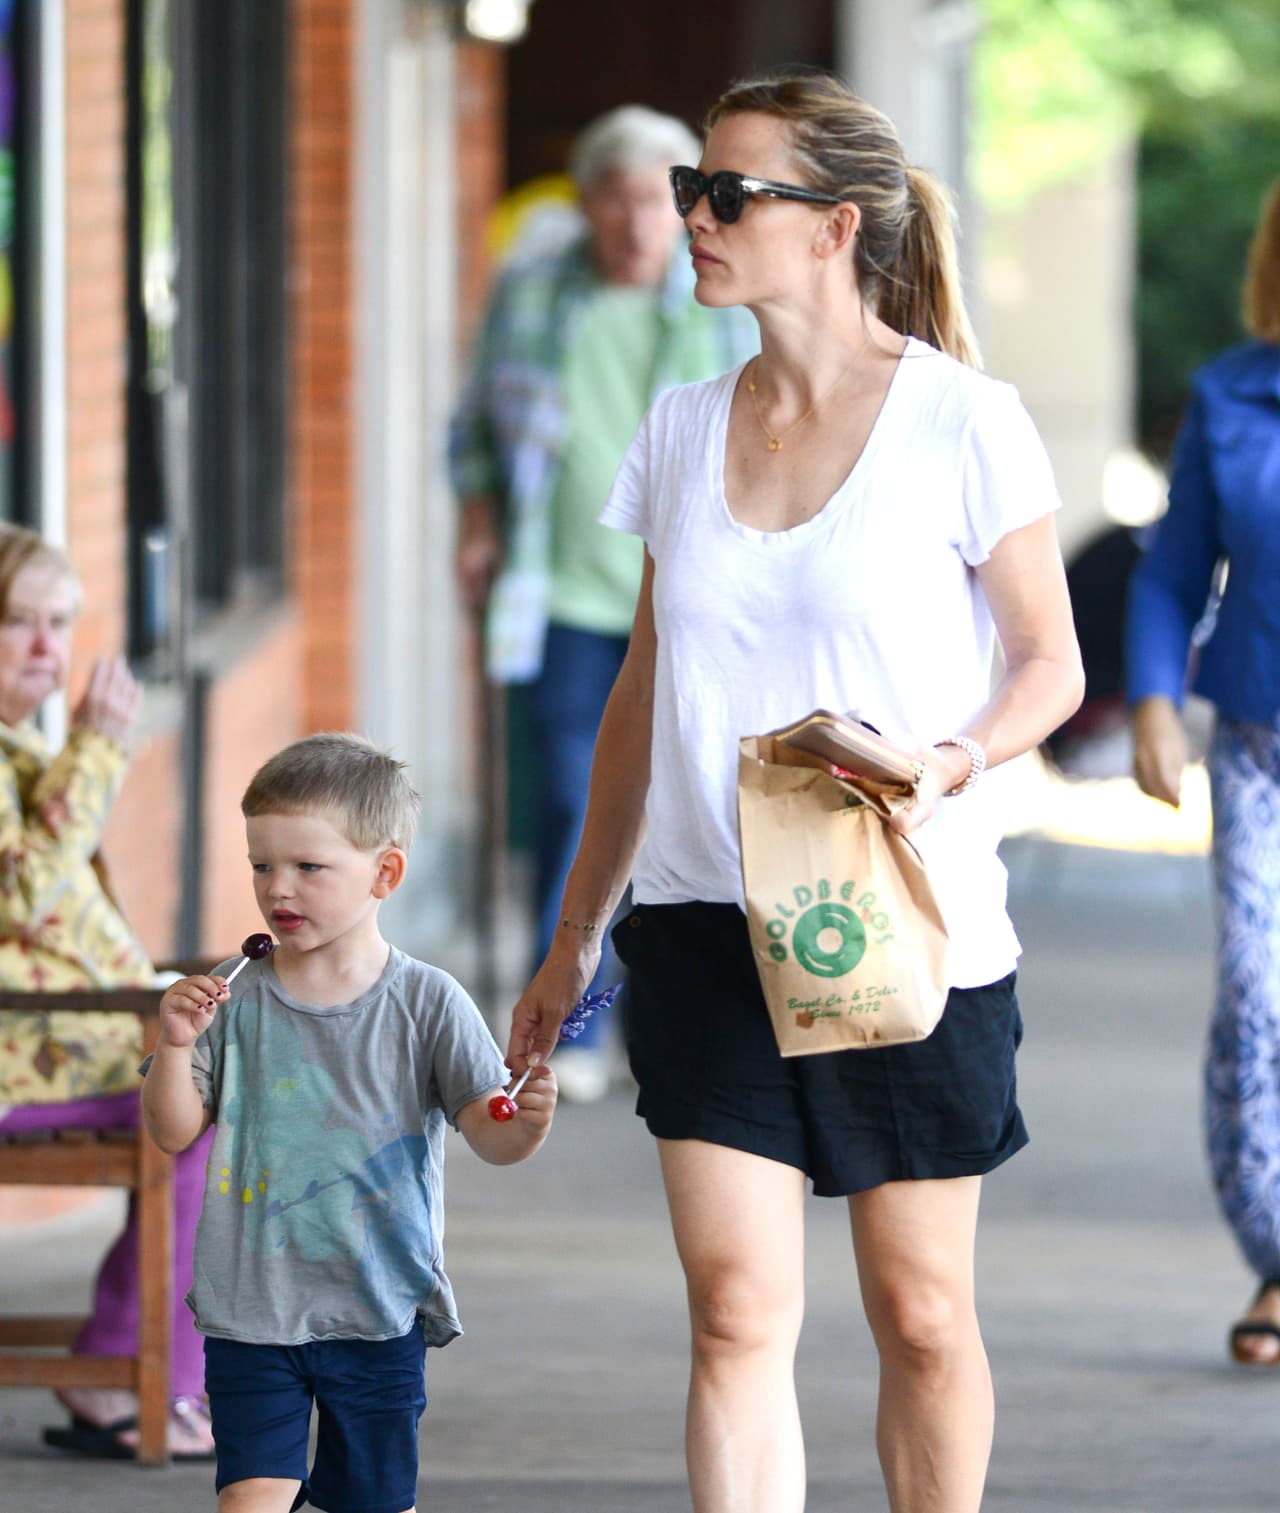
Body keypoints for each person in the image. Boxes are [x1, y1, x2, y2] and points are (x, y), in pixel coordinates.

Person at [506, 70, 1084, 1513]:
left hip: (906, 922)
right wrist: (575, 932)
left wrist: (950, 760)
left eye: (726, 194)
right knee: (735, 1315)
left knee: (924, 1319)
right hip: (706, 921)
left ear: (833, 227)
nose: (691, 216)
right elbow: (642, 697)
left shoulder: (964, 420)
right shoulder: (681, 429)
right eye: (694, 189)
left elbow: (1050, 666)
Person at [141, 732, 556, 1513]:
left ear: (385, 872)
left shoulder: (429, 1001)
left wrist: (526, 1120)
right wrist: (172, 1047)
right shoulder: (234, 998)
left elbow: (491, 1133)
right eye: (262, 864)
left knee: (368, 1501)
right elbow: (171, 1130)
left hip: (377, 1309)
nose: (277, 887)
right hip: (249, 1310)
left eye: (308, 866)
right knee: (251, 1498)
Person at [450, 103, 757, 1101]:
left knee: (686, 810)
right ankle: (575, 1027)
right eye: (615, 199)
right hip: (564, 601)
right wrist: (477, 521)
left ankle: (655, 1016)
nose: (635, 222)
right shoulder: (534, 292)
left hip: (694, 609)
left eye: (656, 199)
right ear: (584, 204)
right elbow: (473, 433)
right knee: (579, 804)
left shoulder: (722, 302)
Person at [0, 521, 217, 1461]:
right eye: (19, 621)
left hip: (52, 1043)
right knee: (199, 1105)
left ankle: (130, 1365)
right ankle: (148, 1380)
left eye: (61, 621)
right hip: (21, 1059)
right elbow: (19, 891)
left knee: (221, 1083)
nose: (50, 647)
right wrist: (94, 753)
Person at [1126, 179, 1280, 1367]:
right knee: (1254, 996)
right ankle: (1277, 1253)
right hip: (1255, 743)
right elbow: (1173, 569)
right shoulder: (1230, 390)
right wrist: (1147, 702)